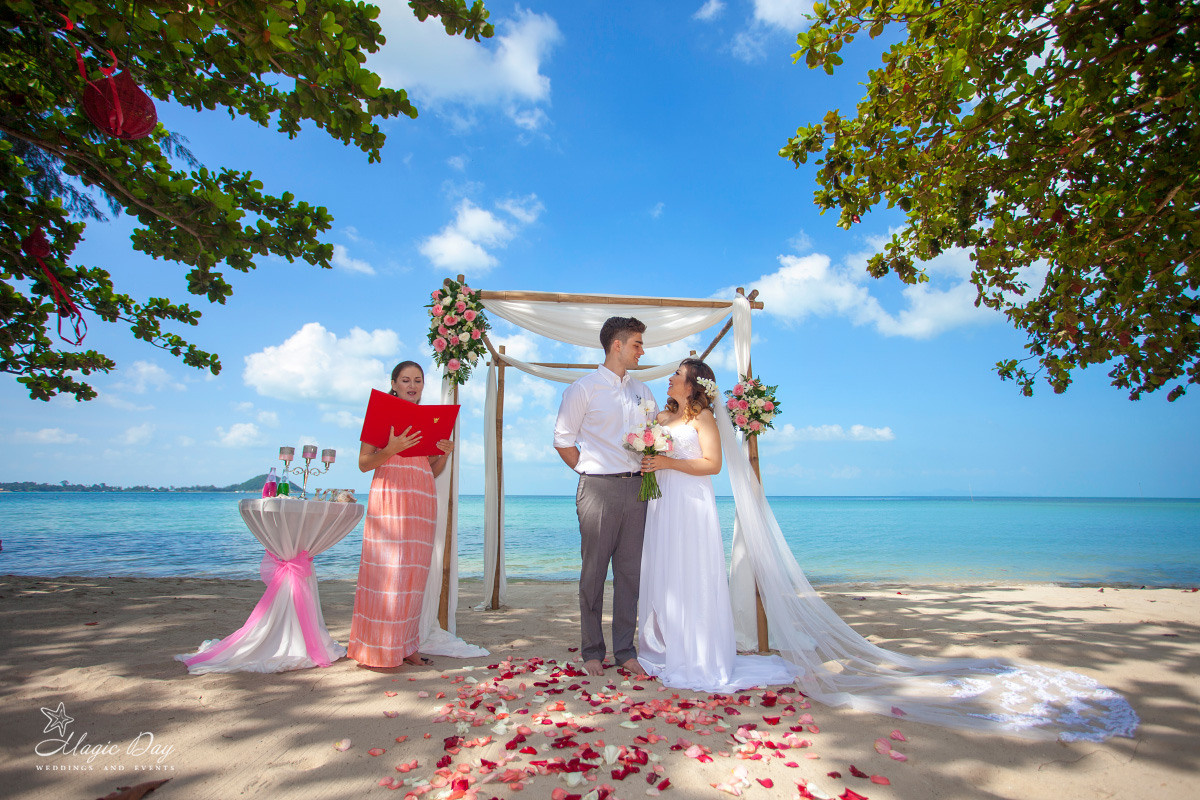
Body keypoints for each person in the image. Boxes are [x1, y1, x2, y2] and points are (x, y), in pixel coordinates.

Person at [637, 358, 795, 691]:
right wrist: (648, 458)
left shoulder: (703, 418)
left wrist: (665, 460)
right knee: (664, 569)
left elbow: (713, 464)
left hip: (691, 503)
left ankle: (696, 652)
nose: (669, 378)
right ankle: (665, 648)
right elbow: (648, 447)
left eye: (676, 375)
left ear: (692, 384)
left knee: (691, 570)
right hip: (662, 503)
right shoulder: (662, 417)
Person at [553, 317, 657, 676]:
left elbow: (653, 434)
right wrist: (589, 469)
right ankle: (592, 651)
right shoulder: (584, 388)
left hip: (638, 488)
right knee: (594, 572)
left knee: (630, 574)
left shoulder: (643, 391)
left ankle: (626, 650)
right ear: (617, 345)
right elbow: (563, 440)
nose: (642, 351)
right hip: (597, 487)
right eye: (637, 345)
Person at [348, 361, 453, 669]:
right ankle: (379, 647)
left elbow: (433, 470)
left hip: (421, 499)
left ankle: (408, 646)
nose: (412, 385)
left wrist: (445, 452)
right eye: (405, 380)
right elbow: (364, 463)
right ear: (393, 383)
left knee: (413, 576)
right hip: (390, 497)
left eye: (418, 380)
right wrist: (392, 447)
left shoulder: (429, 419)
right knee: (388, 572)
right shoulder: (380, 413)